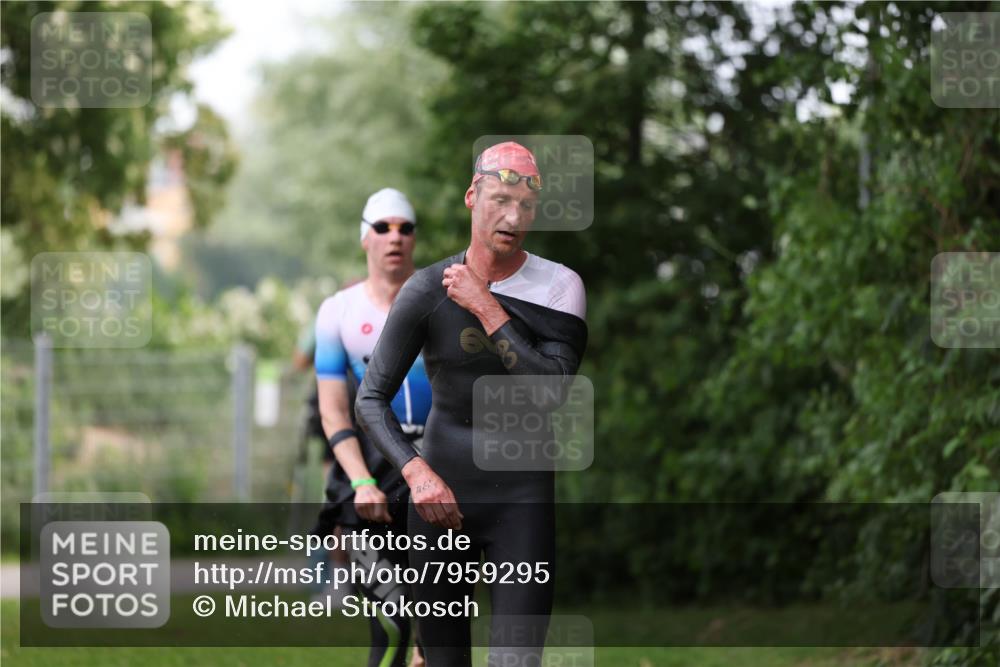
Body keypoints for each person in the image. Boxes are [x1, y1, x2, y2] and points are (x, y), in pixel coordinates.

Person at [355, 142, 588, 665]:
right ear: (472, 197)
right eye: (500, 200)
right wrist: (416, 472)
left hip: (522, 503)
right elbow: (370, 399)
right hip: (440, 500)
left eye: (525, 207)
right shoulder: (427, 289)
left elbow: (551, 393)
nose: (513, 217)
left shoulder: (559, 287)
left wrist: (484, 305)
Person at [314, 187, 431, 667]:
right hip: (371, 473)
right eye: (383, 227)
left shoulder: (443, 301)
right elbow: (333, 410)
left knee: (437, 636)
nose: (394, 237)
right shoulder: (337, 311)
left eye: (405, 228)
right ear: (365, 237)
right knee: (391, 623)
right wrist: (360, 479)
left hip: (435, 467)